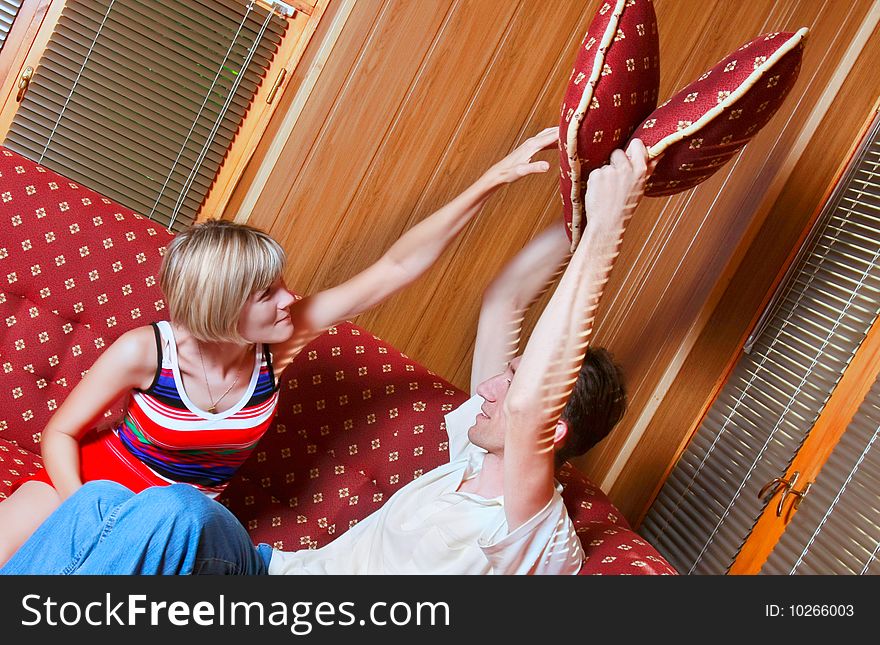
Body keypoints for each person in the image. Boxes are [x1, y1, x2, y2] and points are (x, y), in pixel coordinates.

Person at [0, 138, 650, 575]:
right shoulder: (478, 450)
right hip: (263, 565)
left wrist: (611, 234)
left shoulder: (529, 522)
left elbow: (530, 400)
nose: (487, 388)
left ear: (547, 427)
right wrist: (579, 209)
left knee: (174, 509)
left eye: (511, 386)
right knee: (92, 507)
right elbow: (504, 300)